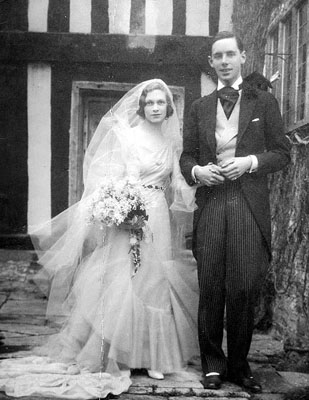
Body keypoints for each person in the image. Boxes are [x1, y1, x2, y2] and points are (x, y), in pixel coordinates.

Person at [0, 79, 199, 399]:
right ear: (142, 107)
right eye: (150, 103)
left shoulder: (171, 143)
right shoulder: (128, 136)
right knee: (126, 279)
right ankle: (120, 351)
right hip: (131, 212)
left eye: (161, 103)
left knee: (155, 281)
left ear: (169, 108)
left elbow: (177, 181)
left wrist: (196, 184)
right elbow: (111, 175)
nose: (156, 108)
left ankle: (151, 356)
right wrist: (121, 204)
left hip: (158, 213)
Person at [180, 31, 290, 393]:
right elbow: (187, 157)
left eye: (231, 54)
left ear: (243, 56)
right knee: (211, 285)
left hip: (247, 203)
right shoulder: (198, 107)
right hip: (211, 203)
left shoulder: (263, 102)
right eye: (218, 56)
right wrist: (198, 172)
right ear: (211, 63)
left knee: (243, 287)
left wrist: (250, 161)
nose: (224, 61)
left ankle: (240, 366)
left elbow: (282, 153)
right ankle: (213, 364)